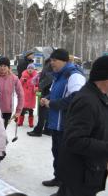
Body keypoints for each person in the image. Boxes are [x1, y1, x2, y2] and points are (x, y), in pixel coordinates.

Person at [54, 55, 108, 196]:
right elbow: (75, 140)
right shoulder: (87, 101)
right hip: (79, 176)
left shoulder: (99, 97)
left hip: (89, 172)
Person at [40, 49, 86, 187]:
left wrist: (52, 103)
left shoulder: (74, 76)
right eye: (51, 60)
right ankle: (58, 178)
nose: (52, 63)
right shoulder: (59, 75)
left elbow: (76, 99)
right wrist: (47, 98)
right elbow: (56, 94)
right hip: (57, 123)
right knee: (57, 153)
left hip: (68, 125)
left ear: (64, 61)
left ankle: (66, 185)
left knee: (66, 157)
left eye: (55, 60)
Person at [0, 57, 24, 129]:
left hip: (7, 110)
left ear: (8, 67)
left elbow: (21, 94)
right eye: (0, 66)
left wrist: (18, 111)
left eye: (5, 66)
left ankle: (2, 140)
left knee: (2, 130)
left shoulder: (14, 78)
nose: (2, 68)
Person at [27, 58, 53, 137]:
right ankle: (48, 129)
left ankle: (38, 130)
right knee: (47, 109)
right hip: (48, 90)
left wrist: (40, 86)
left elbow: (49, 78)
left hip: (46, 90)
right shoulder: (49, 63)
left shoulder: (49, 64)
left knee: (42, 110)